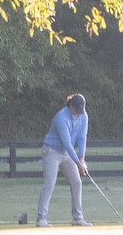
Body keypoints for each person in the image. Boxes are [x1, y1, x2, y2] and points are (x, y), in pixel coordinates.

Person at [37, 94, 90, 226]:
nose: (78, 113)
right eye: (76, 109)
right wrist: (78, 163)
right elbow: (66, 142)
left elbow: (82, 137)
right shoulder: (61, 118)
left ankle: (77, 218)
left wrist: (82, 159)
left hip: (66, 154)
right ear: (70, 106)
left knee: (76, 182)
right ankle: (41, 218)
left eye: (81, 109)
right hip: (51, 151)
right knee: (50, 183)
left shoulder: (83, 115)